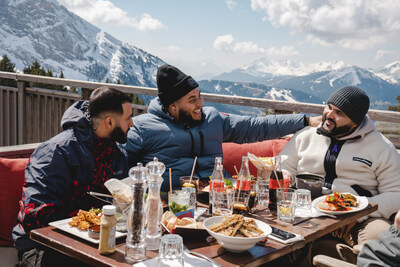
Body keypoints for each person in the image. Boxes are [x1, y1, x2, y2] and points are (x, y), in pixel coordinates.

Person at [122, 64, 321, 191]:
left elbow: (255, 126)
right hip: (174, 200)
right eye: (192, 100)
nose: (200, 103)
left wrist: (305, 121)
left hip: (223, 192)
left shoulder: (212, 119)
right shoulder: (141, 128)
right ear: (172, 106)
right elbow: (120, 169)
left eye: (199, 96)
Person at [13, 86, 133, 266]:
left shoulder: (116, 153)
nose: (132, 123)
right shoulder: (56, 152)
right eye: (128, 117)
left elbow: (123, 202)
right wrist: (93, 219)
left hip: (96, 243)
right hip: (43, 247)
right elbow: (34, 214)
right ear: (109, 122)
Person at [279, 86, 400, 264]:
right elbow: (283, 166)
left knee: (381, 238)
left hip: (359, 220)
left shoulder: (381, 147)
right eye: (329, 106)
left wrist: (360, 213)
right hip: (304, 213)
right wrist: (284, 175)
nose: (329, 114)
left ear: (355, 122)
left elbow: (396, 193)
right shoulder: (305, 136)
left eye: (339, 112)